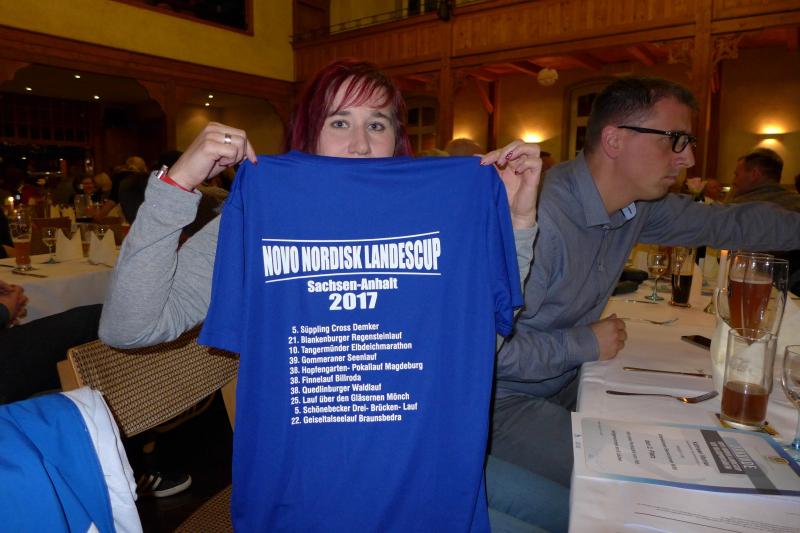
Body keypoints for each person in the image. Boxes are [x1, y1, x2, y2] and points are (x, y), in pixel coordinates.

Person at [100, 59, 567, 531]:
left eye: (377, 124)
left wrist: (516, 223)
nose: (360, 144)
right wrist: (177, 184)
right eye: (339, 122)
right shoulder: (267, 214)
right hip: (310, 495)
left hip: (426, 470)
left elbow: (481, 347)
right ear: (309, 134)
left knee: (572, 509)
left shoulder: (438, 220)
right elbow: (129, 327)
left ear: (397, 138)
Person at [491, 75, 800, 490]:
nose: (688, 158)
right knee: (637, 480)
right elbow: (489, 353)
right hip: (498, 400)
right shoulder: (536, 217)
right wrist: (584, 343)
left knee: (684, 440)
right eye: (675, 140)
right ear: (615, 140)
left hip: (563, 380)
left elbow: (729, 223)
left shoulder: (637, 207)